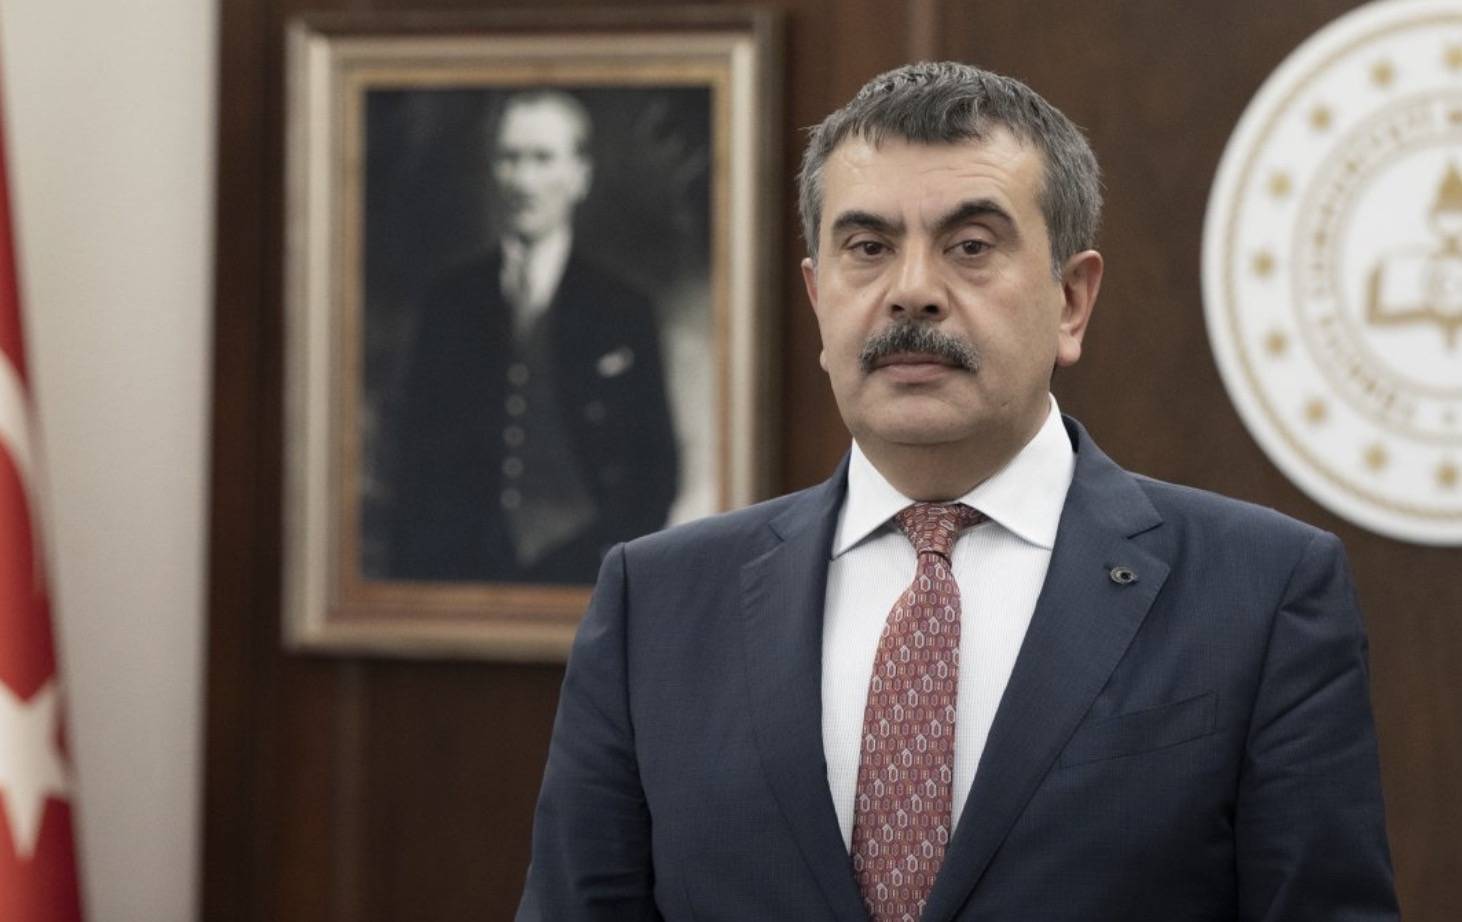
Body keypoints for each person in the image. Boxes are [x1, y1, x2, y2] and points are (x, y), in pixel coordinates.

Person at [517, 63, 1398, 921]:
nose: (911, 292)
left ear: (1072, 301)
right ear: (818, 298)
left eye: (971, 247)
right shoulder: (655, 603)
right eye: (868, 249)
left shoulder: (1262, 592)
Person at [386, 90, 679, 584]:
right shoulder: (448, 303)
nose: (524, 181)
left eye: (542, 159)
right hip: (464, 570)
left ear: (580, 175)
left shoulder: (622, 308)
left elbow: (655, 467)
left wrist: (616, 565)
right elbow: (416, 463)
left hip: (585, 567)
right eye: (510, 158)